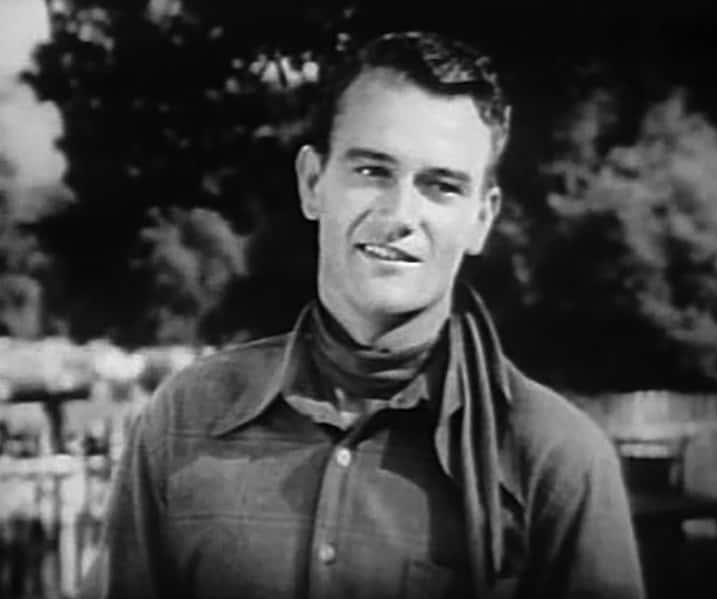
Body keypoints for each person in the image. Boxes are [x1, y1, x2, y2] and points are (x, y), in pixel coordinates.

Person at [79, 31, 644, 599]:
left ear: (480, 219)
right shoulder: (188, 419)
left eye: (441, 186)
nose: (400, 214)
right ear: (312, 183)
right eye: (373, 171)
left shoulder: (554, 461)